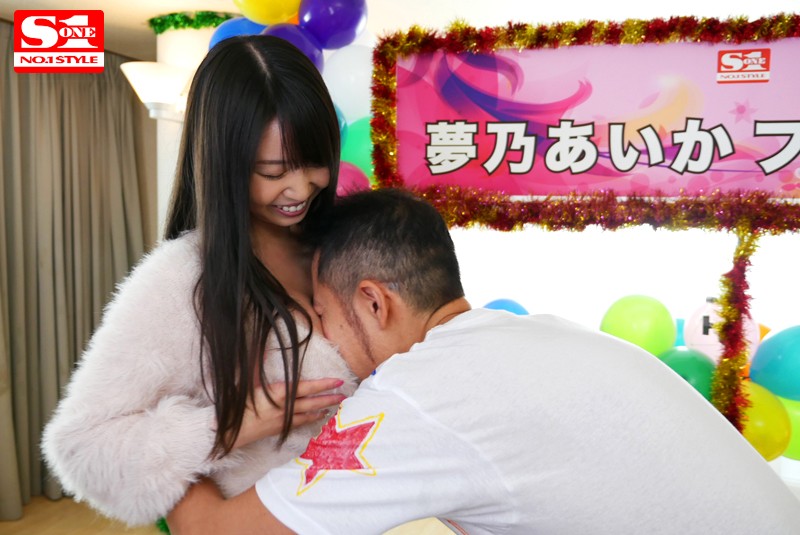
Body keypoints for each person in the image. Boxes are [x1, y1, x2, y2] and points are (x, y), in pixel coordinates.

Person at [168, 188, 800, 534]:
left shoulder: (417, 394)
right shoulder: (541, 334)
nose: (319, 336)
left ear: (373, 302)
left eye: (322, 312)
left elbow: (214, 534)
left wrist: (154, 427)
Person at [41, 35, 357, 526]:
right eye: (272, 172)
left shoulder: (346, 246)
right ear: (224, 163)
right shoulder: (181, 280)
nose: (299, 189)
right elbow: (82, 445)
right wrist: (231, 426)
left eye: (314, 163)